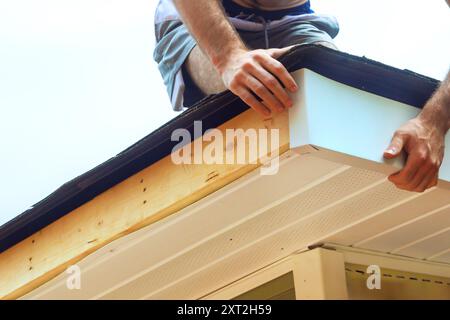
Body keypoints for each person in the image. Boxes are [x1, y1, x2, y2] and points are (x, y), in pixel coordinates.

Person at [153, 0, 449, 193]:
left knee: (335, 106)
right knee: (253, 91)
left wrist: (434, 122)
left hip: (292, 20)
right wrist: (227, 56)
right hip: (204, 13)